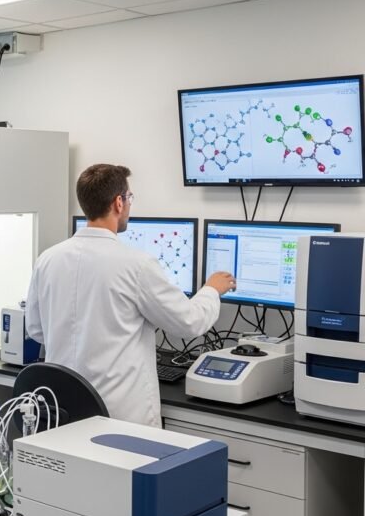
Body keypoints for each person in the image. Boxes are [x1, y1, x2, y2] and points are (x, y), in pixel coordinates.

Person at [25, 164, 235, 427]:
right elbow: (190, 323)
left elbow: (36, 329)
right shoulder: (137, 265)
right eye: (130, 198)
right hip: (119, 416)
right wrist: (212, 289)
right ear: (118, 203)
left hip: (64, 410)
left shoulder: (48, 259)